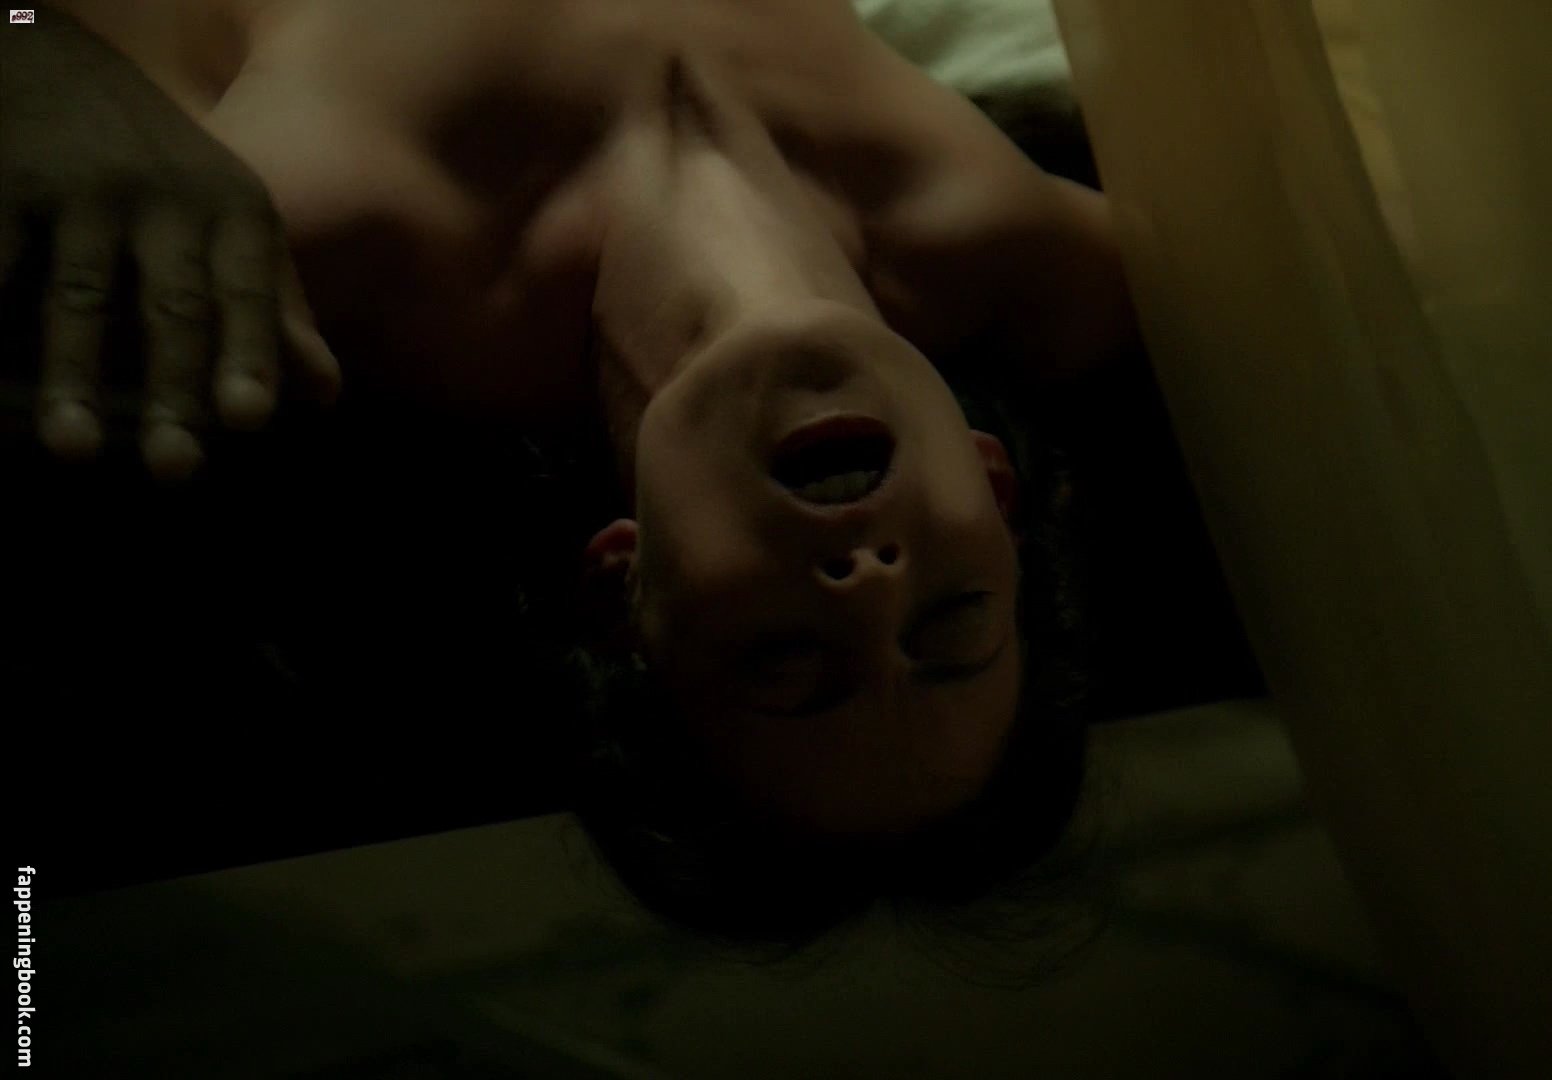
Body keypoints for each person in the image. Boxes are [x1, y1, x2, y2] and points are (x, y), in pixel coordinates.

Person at [2, 0, 1134, 946]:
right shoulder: (1017, 252)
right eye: (950, 625)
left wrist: (26, 55)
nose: (870, 584)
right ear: (993, 491)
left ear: (622, 589)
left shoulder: (330, 241)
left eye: (787, 662)